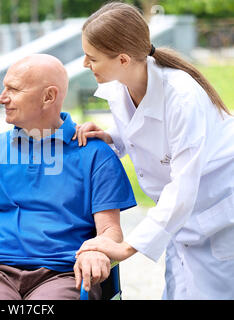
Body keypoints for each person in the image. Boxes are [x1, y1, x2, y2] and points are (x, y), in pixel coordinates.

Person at [0, 54, 137, 300]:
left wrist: (97, 250)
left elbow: (110, 230)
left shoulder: (96, 154)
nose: (2, 98)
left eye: (13, 89)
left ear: (49, 96)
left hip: (65, 274)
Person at [74, 2, 234, 299]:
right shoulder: (120, 85)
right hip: (182, 226)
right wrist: (111, 136)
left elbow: (183, 187)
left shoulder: (182, 97)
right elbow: (139, 132)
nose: (85, 63)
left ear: (122, 58)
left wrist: (126, 247)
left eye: (91, 57)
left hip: (216, 217)